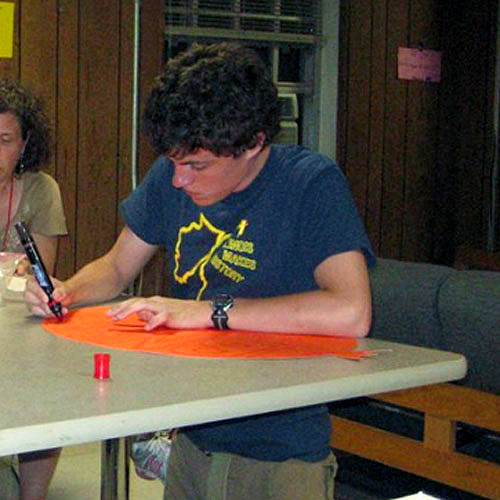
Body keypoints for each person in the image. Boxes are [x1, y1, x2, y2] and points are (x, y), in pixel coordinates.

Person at [25, 42, 375, 500]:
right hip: (193, 438)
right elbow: (114, 268)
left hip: (280, 452)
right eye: (173, 162)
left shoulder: (310, 184)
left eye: (196, 165)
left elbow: (351, 312)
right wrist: (66, 290)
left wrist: (210, 311)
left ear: (253, 144)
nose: (178, 180)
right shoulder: (174, 171)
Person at [0, 79, 67, 500]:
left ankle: (33, 496)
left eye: (4, 140)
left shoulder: (42, 190)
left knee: (49, 387)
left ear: (24, 146)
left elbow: (42, 276)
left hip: (20, 322)